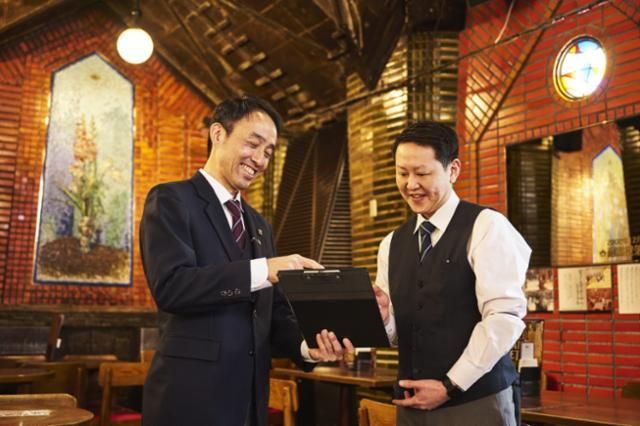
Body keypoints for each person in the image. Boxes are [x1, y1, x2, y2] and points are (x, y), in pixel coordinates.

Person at [140, 95, 353, 426]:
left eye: (268, 151)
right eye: (253, 144)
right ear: (218, 134)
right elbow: (172, 287)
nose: (260, 159)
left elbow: (273, 313)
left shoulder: (259, 224)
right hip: (189, 399)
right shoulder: (171, 199)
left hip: (250, 402)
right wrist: (265, 269)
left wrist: (307, 347)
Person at [373, 121, 531, 425]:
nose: (410, 184)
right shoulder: (391, 244)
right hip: (412, 405)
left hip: (476, 402)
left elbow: (504, 318)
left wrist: (450, 385)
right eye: (402, 173)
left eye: (422, 173)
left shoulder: (487, 226)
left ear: (453, 170)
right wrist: (384, 318)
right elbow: (397, 336)